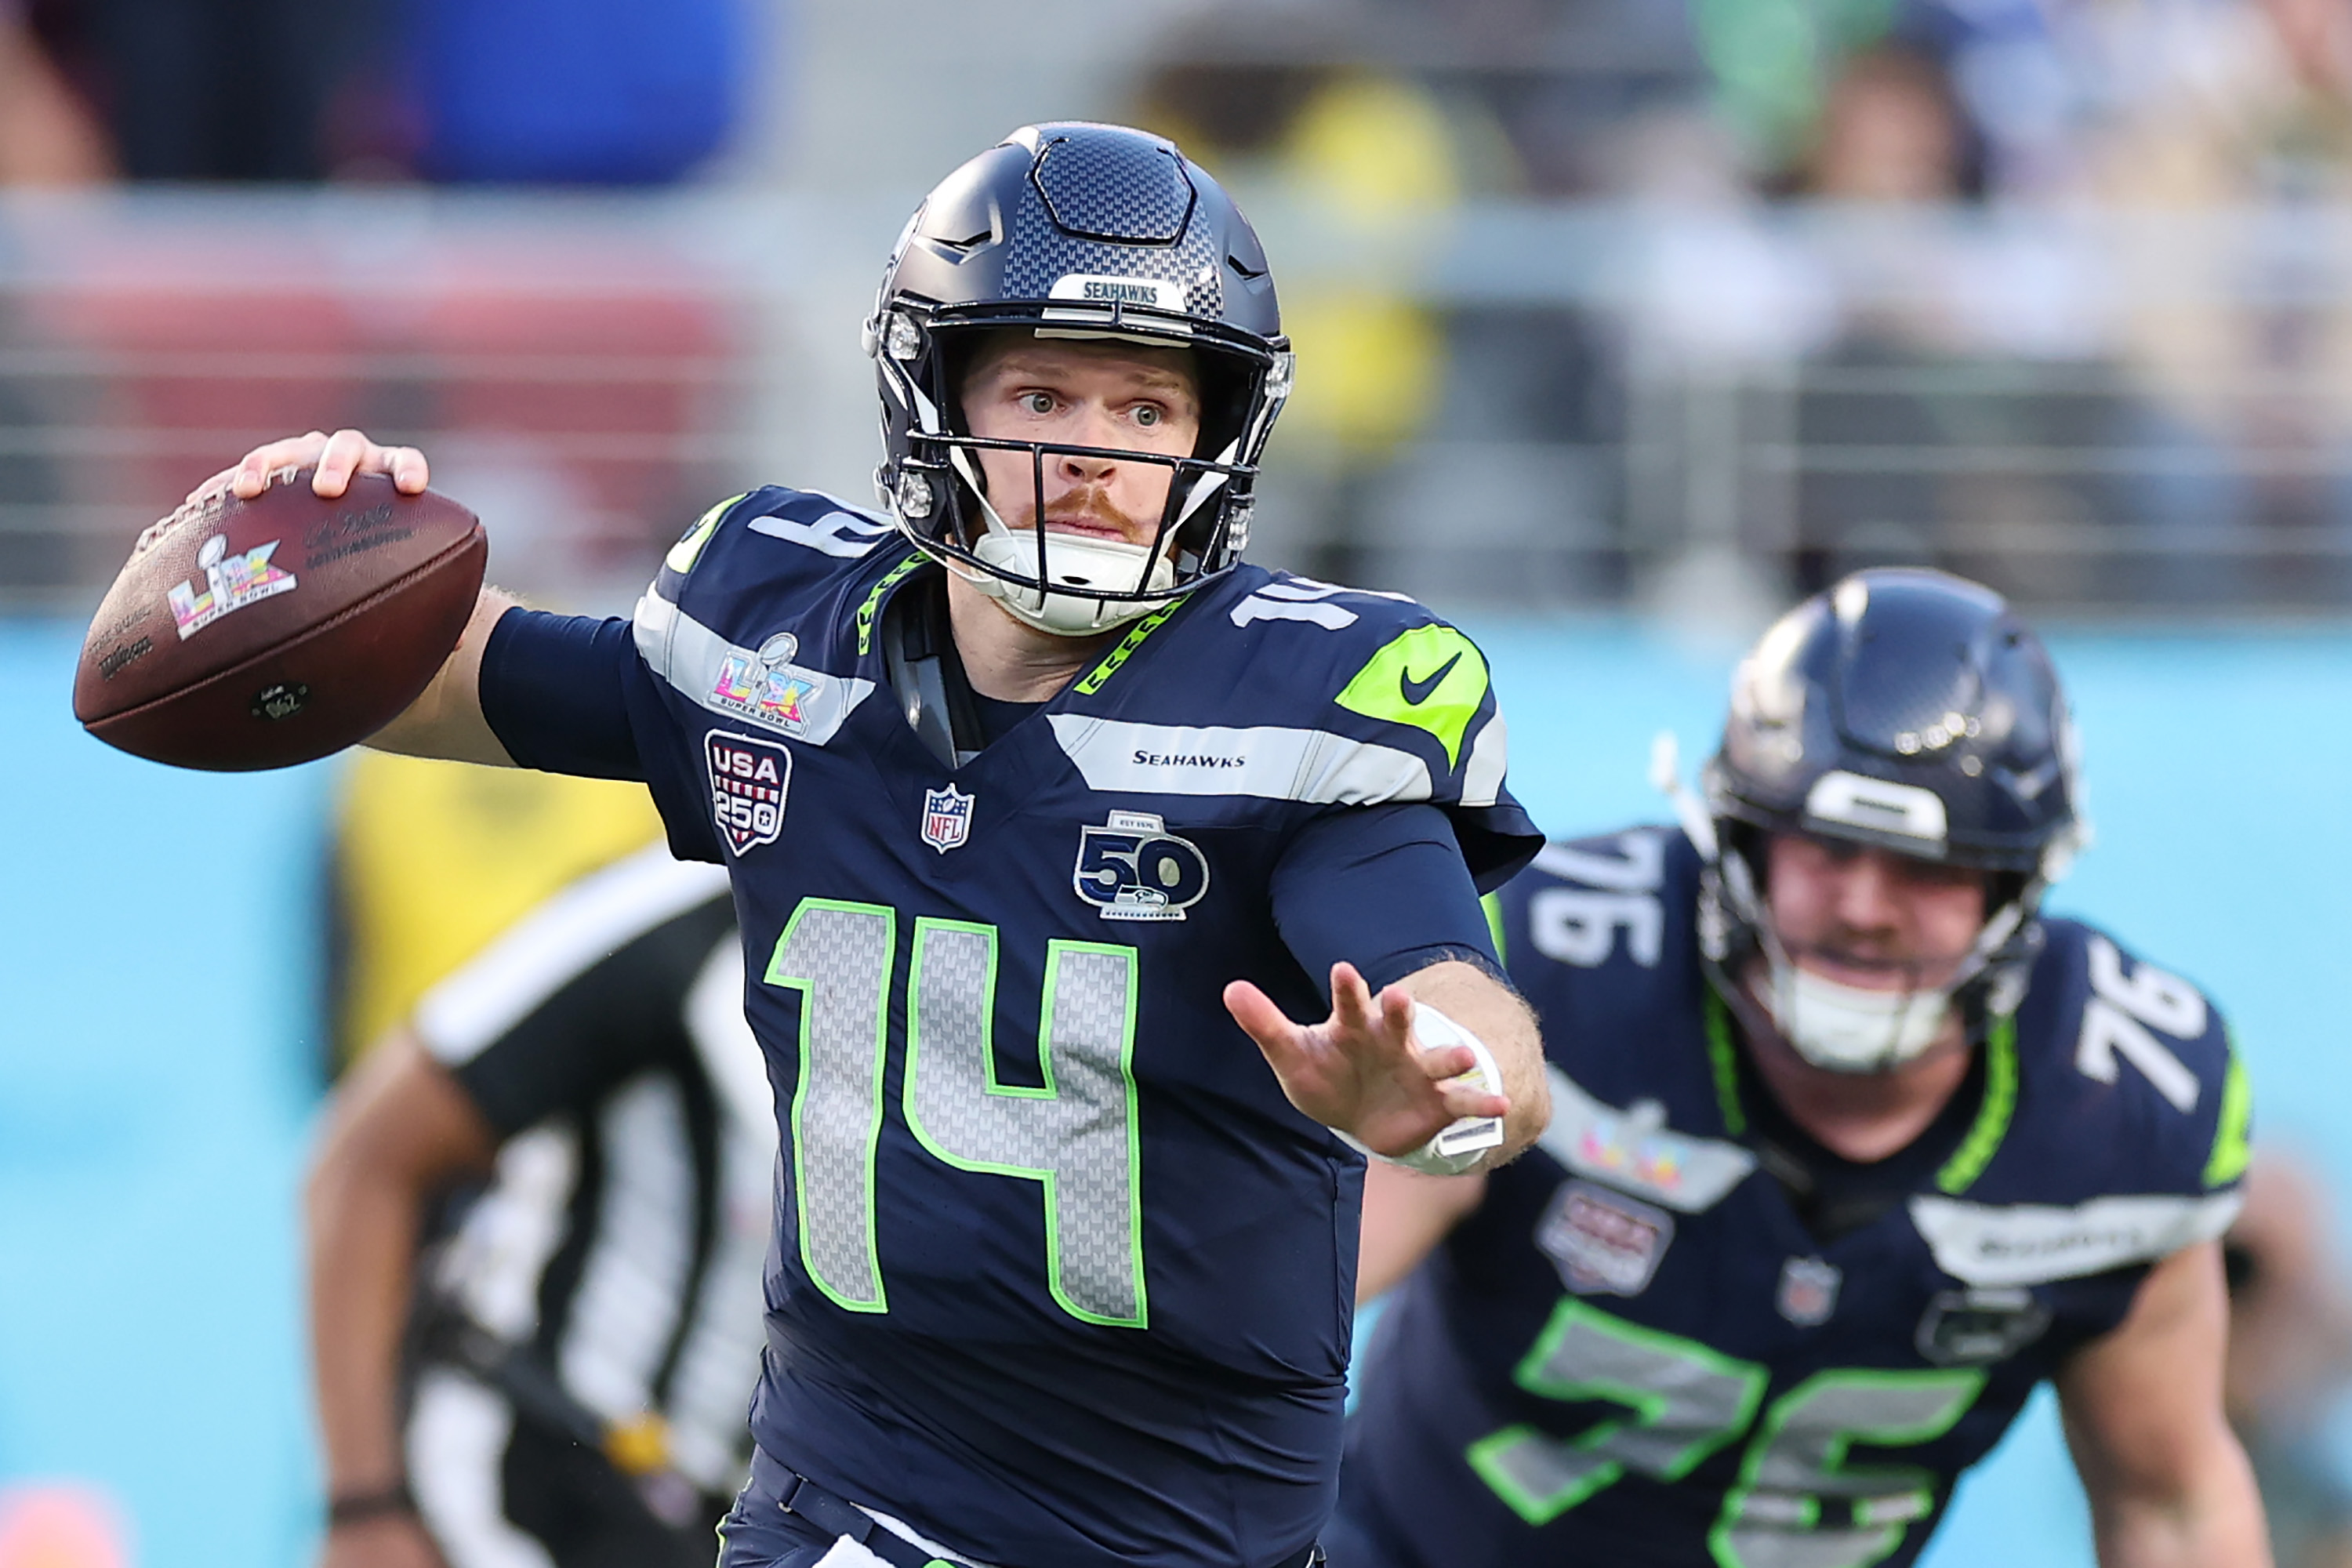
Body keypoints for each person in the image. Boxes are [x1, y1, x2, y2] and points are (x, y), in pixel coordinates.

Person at [198, 122, 1550, 1568]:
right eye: (1042, 393)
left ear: (1215, 437)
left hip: (1184, 1520)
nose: (1093, 454)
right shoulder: (778, 635)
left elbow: (1442, 982)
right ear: (936, 394)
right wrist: (294, 547)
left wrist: (1451, 1083)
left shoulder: (1304, 706)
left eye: (1146, 412)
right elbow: (430, 674)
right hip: (854, 1487)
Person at [1333, 568, 2268, 1568]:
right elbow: (1299, 1289)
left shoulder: (2124, 1108)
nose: (1864, 905)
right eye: (1825, 846)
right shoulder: (1555, 970)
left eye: (1929, 867)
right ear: (1742, 839)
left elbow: (2169, 1503)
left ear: (2014, 887)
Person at [308, 844, 771, 1568]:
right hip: (528, 1466)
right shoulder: (686, 908)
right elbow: (363, 1163)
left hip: (726, 1519)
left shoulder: (979, 951)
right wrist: (366, 1507)